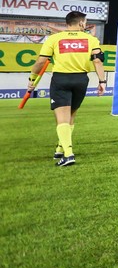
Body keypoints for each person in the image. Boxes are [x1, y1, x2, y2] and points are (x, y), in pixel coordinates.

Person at [27, 11, 106, 167]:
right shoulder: (91, 39)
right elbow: (98, 61)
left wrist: (32, 79)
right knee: (71, 115)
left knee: (62, 118)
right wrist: (102, 81)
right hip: (81, 80)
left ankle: (68, 155)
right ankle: (60, 148)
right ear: (81, 23)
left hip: (61, 79)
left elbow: (41, 61)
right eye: (85, 22)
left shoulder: (54, 38)